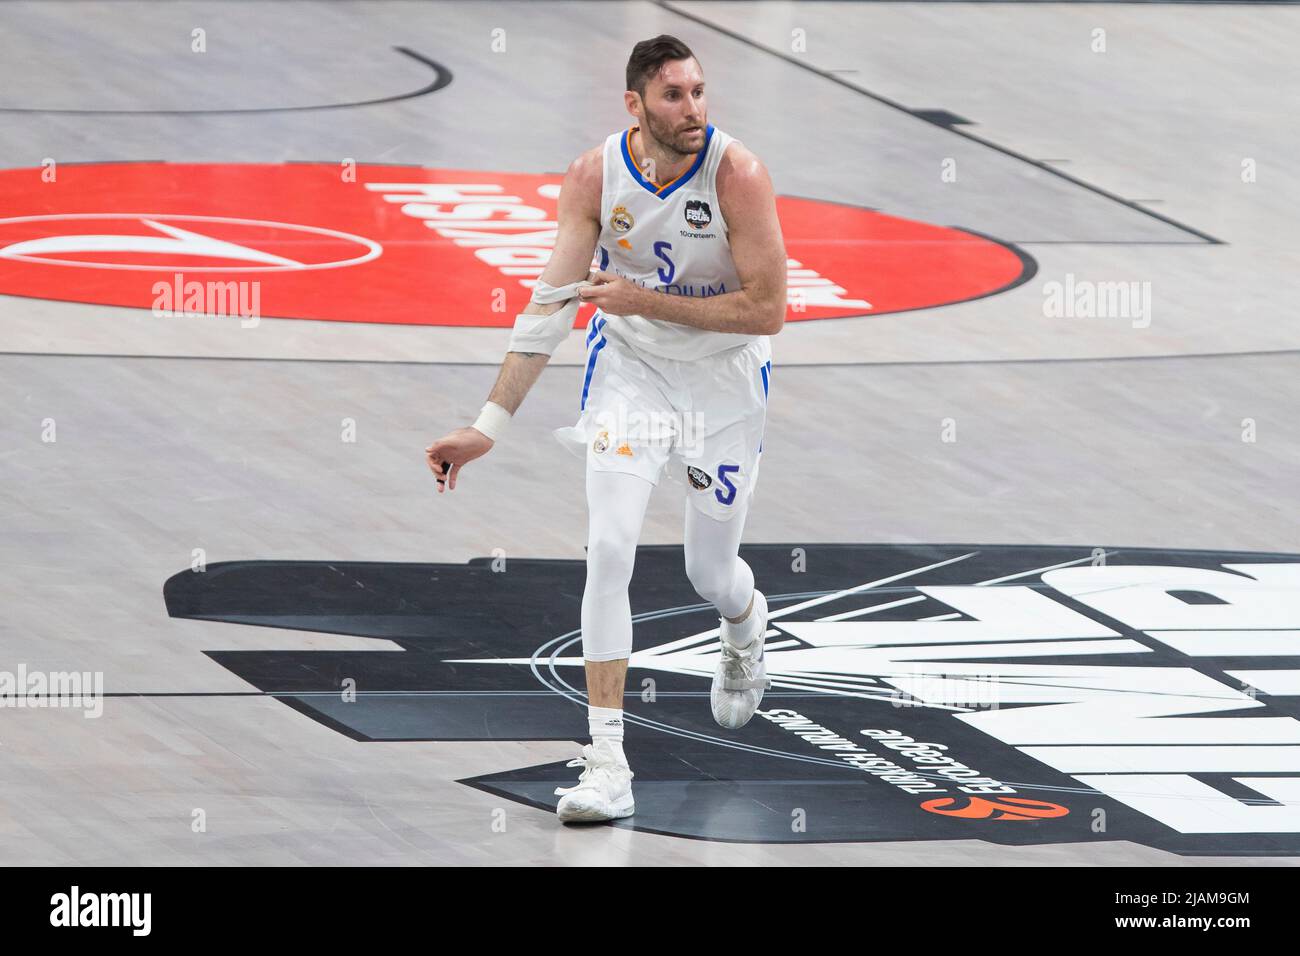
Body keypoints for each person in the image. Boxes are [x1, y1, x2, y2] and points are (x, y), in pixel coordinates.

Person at [425, 34, 787, 823]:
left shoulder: (738, 175)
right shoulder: (595, 177)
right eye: (673, 96)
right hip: (632, 372)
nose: (692, 109)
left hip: (724, 380)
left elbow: (769, 310)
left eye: (698, 92)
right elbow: (550, 304)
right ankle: (608, 761)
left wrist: (643, 298)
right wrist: (489, 424)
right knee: (612, 545)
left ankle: (746, 622)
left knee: (709, 573)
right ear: (634, 105)